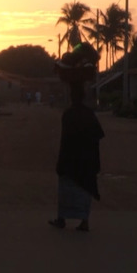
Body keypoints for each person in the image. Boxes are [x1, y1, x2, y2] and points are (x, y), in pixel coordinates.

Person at [49, 80, 105, 231]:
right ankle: (84, 221)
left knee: (66, 189)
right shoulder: (88, 114)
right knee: (84, 189)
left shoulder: (68, 114)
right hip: (86, 158)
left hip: (70, 158)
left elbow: (65, 138)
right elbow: (97, 135)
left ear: (72, 97)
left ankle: (62, 219)